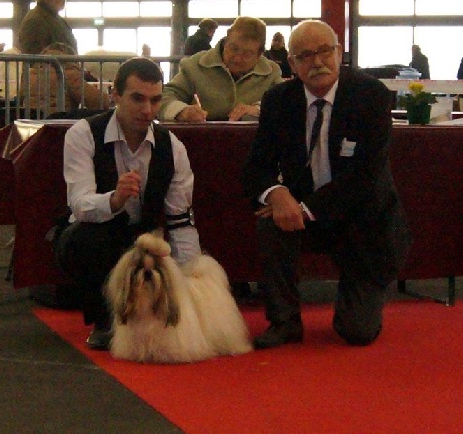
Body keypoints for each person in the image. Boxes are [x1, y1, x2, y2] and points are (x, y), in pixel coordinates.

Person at [242, 20, 412, 349]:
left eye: (324, 51)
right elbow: (255, 167)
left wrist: (303, 209)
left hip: (366, 220)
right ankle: (284, 320)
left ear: (338, 52)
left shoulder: (371, 96)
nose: (317, 62)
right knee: (270, 222)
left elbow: (364, 176)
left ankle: (361, 295)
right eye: (305, 55)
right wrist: (277, 194)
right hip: (307, 216)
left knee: (356, 332)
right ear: (291, 63)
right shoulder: (278, 100)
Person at [54, 57, 201, 350]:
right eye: (137, 99)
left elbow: (181, 220)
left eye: (155, 100)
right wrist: (114, 199)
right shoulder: (82, 135)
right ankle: (104, 321)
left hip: (144, 237)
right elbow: (80, 205)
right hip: (94, 231)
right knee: (89, 239)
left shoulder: (173, 147)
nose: (147, 110)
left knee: (157, 253)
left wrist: (191, 281)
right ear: (115, 95)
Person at [160, 16, 284, 122]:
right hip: (202, 141)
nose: (237, 59)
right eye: (233, 48)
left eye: (247, 54)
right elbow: (164, 96)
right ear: (226, 41)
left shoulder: (272, 72)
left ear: (259, 54)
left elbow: (286, 104)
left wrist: (258, 109)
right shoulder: (194, 65)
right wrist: (182, 111)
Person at [26, 42, 110, 115]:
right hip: (58, 124)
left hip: (30, 123)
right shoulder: (68, 72)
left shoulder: (31, 73)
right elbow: (99, 101)